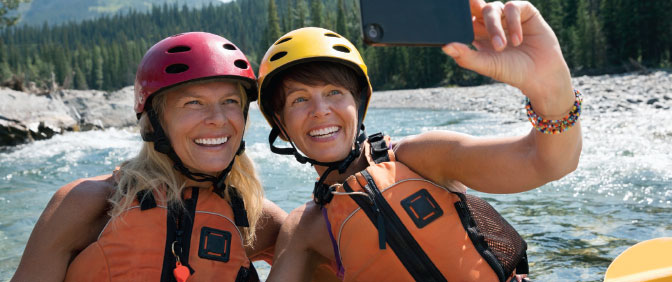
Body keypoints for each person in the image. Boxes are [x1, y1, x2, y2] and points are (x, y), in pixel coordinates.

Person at [256, 0, 581, 281]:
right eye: (299, 99)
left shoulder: (420, 157)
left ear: (358, 105)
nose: (320, 111)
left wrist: (550, 88)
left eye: (334, 93)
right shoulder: (303, 231)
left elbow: (548, 161)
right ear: (281, 125)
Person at [11, 32, 287, 282]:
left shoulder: (255, 217)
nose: (218, 119)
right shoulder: (86, 205)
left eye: (230, 101)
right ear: (154, 122)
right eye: (194, 103)